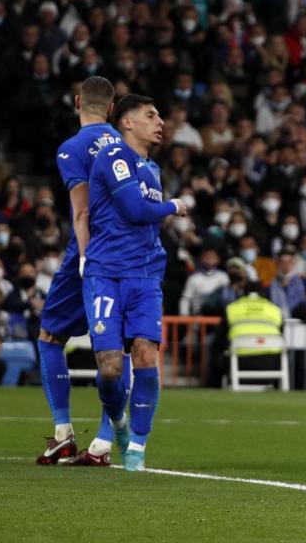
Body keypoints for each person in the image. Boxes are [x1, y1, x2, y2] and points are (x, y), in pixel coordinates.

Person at [79, 93, 187, 471]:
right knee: (109, 367)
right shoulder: (113, 156)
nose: (160, 121)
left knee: (145, 355)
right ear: (126, 122)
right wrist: (174, 205)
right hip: (106, 274)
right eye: (150, 115)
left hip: (144, 276)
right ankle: (119, 424)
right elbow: (136, 210)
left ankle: (137, 447)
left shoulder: (151, 169)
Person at [35, 76, 128, 465]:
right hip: (131, 250)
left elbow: (82, 211)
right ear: (112, 108)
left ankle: (63, 433)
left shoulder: (72, 148)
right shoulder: (126, 143)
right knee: (114, 345)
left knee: (50, 336)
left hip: (91, 251)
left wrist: (88, 260)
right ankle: (105, 441)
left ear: (77, 102)